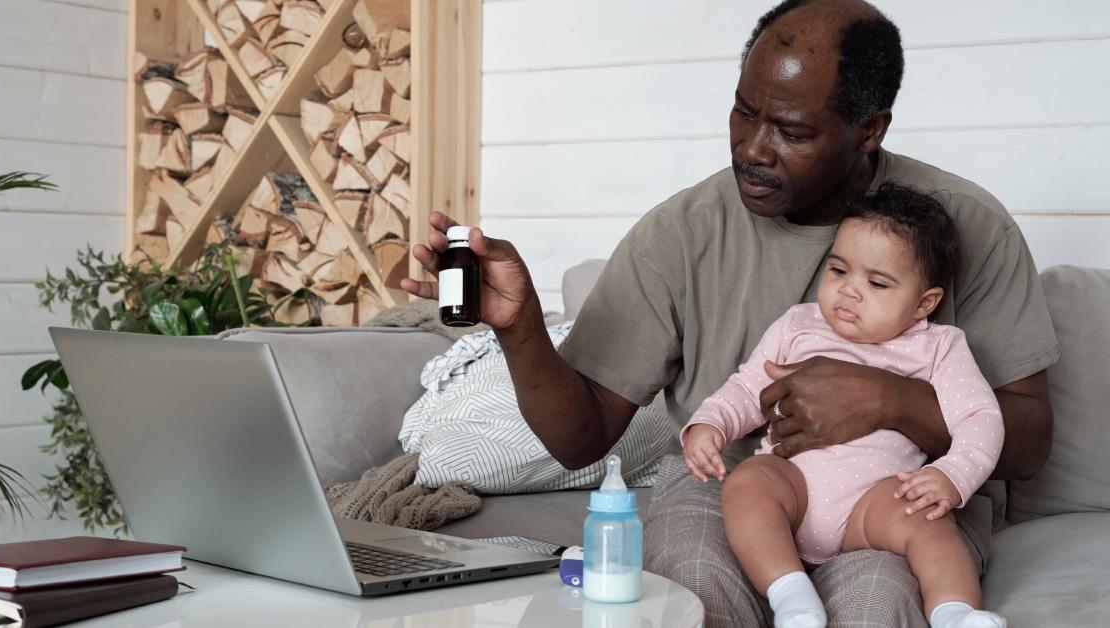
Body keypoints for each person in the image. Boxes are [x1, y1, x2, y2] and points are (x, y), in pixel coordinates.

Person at [401, 0, 1059, 625]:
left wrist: (891, 400)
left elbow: (1029, 440)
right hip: (734, 479)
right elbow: (580, 440)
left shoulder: (963, 227)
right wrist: (520, 329)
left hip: (893, 492)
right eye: (745, 113)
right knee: (695, 585)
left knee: (877, 602)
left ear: (869, 130)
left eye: (792, 132)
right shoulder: (681, 232)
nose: (753, 148)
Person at [683, 183, 1006, 628]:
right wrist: (711, 424)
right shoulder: (799, 325)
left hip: (873, 504)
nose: (849, 292)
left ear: (924, 303)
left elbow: (980, 417)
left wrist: (953, 474)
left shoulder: (938, 347)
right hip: (792, 485)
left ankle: (955, 612)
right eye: (838, 271)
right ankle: (791, 595)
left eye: (876, 283)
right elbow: (749, 386)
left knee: (930, 522)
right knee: (749, 484)